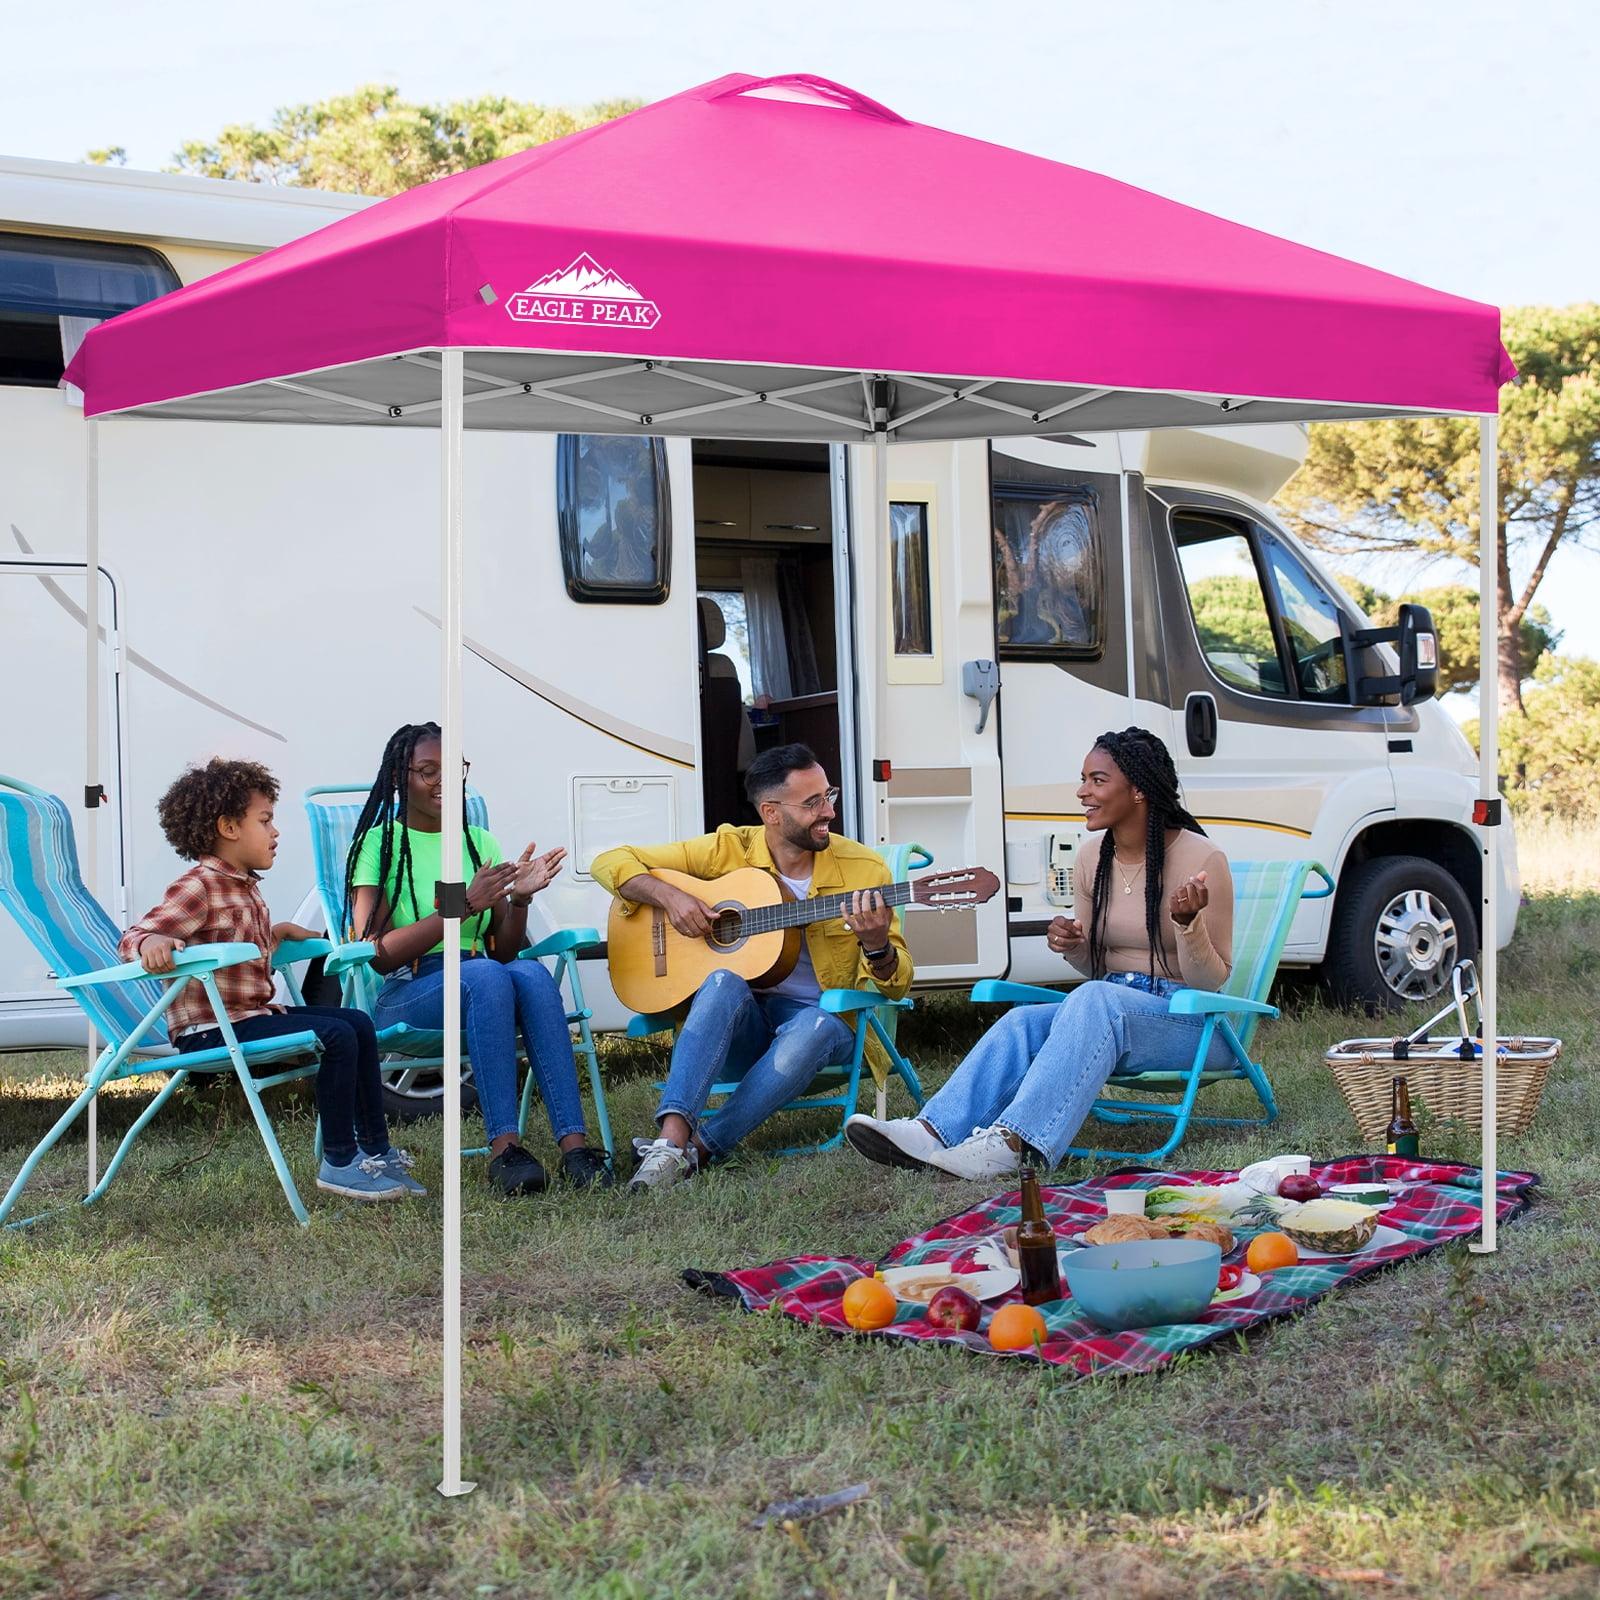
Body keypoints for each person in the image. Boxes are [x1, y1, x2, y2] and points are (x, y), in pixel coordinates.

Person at [845, 727, 1234, 1179]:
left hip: (1192, 1024)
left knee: (1094, 1000)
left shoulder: (1202, 860)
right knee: (1021, 1021)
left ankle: (1012, 1143)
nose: (1082, 791)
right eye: (1083, 779)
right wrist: (1074, 947)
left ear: (1139, 789)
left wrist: (1188, 925)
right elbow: (1097, 972)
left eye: (1097, 780)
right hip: (1112, 1011)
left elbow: (1212, 982)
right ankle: (931, 1131)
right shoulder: (1093, 858)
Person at [592, 743, 913, 1191]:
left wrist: (877, 946)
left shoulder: (863, 869)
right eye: (813, 803)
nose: (829, 813)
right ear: (771, 813)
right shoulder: (728, 849)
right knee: (722, 978)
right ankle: (669, 1142)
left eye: (829, 796)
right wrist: (672, 897)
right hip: (740, 1027)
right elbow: (608, 861)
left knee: (816, 1026)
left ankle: (700, 1151)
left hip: (822, 1026)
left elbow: (897, 987)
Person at [119, 758, 419, 1202]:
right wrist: (152, 943)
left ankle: (377, 1151)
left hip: (250, 1015)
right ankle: (339, 1160)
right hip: (211, 1030)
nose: (275, 832)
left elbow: (232, 942)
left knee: (355, 1020)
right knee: (336, 1034)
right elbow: (136, 935)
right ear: (228, 827)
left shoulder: (246, 886)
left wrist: (277, 934)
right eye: (265, 820)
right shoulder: (200, 885)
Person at [343, 722, 613, 1196]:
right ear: (398, 778)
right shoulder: (380, 845)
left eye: (454, 769)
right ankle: (505, 1151)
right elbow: (377, 953)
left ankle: (575, 1149)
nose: (445, 781)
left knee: (527, 971)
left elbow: (502, 949)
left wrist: (521, 898)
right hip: (410, 989)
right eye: (428, 771)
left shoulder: (477, 842)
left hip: (478, 977)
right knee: (489, 975)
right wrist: (462, 906)